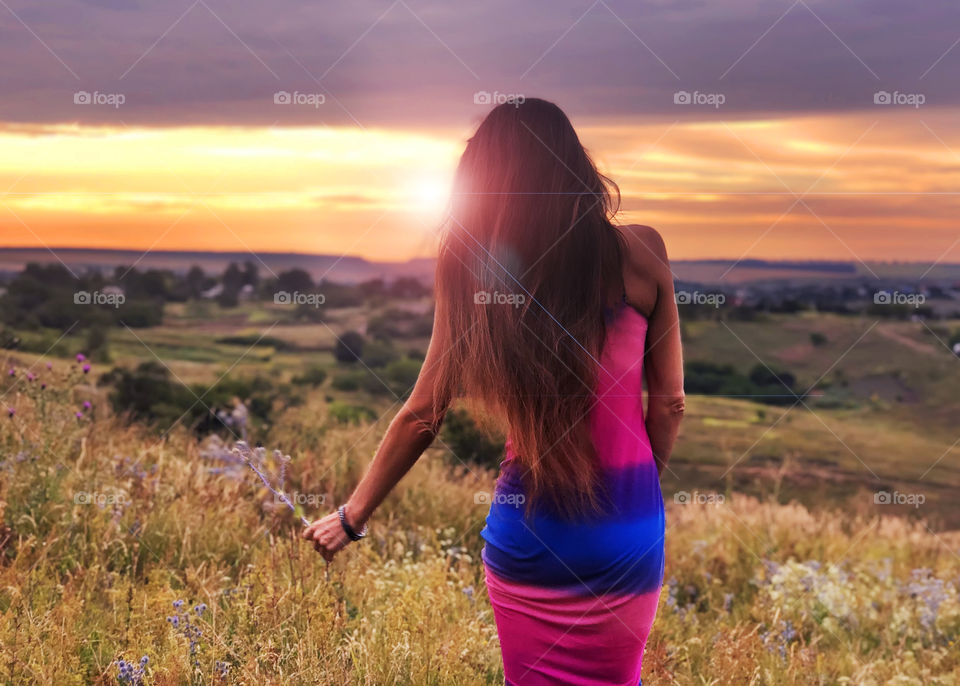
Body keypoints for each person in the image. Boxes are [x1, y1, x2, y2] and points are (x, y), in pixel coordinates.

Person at [303, 98, 685, 685]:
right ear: (574, 166)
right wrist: (642, 482)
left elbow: (423, 413)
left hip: (530, 535)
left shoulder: (469, 266)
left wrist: (351, 518)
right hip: (627, 534)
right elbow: (670, 402)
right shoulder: (641, 250)